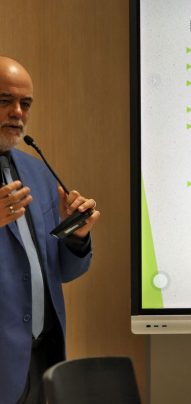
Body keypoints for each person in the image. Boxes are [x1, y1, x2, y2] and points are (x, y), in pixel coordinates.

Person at [0, 56, 100, 404]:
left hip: (42, 357)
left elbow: (61, 271)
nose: (17, 112)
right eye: (5, 100)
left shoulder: (37, 172)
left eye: (25, 104)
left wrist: (77, 237)